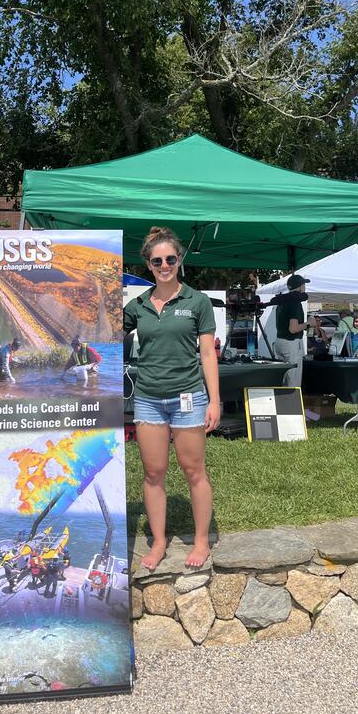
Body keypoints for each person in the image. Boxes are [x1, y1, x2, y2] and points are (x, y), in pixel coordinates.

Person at [123, 226, 220, 570]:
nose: (164, 265)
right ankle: (159, 542)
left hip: (188, 396)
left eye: (170, 259)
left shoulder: (197, 301)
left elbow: (208, 354)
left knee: (194, 471)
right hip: (149, 398)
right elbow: (100, 328)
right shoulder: (137, 306)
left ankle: (200, 541)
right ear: (148, 265)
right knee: (153, 473)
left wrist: (214, 400)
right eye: (157, 260)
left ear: (179, 260)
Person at [271, 274, 316, 387]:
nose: (305, 287)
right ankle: (292, 403)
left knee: (283, 379)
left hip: (279, 341)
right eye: (304, 285)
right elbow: (293, 329)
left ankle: (283, 403)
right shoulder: (295, 303)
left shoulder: (282, 301)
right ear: (301, 287)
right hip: (291, 343)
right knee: (293, 381)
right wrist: (308, 324)